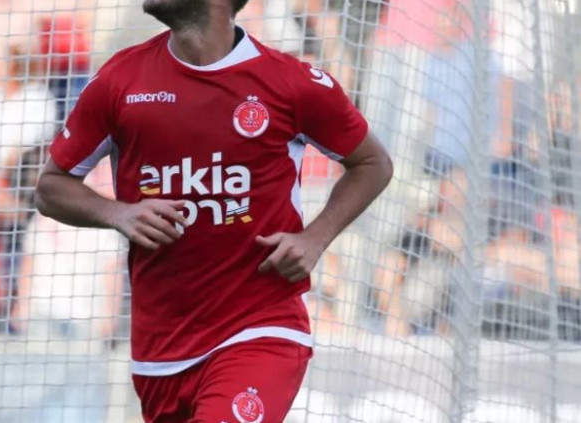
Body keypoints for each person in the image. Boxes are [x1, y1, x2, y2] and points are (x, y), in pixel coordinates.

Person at [35, 1, 393, 422]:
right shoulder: (120, 79)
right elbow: (50, 187)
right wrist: (119, 214)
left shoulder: (291, 83)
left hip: (259, 330)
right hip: (161, 351)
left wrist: (315, 238)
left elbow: (373, 163)